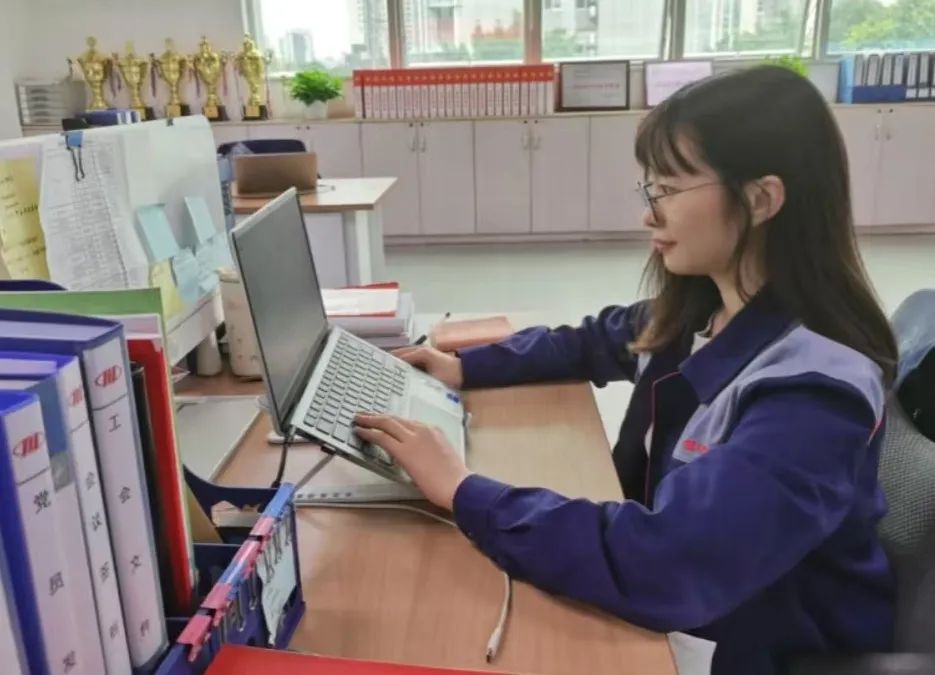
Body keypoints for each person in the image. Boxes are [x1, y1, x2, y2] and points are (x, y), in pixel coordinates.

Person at [354, 66, 898, 675]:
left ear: (761, 199)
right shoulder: (709, 306)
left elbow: (671, 562)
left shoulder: (813, 393)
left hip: (754, 642)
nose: (649, 215)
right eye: (650, 189)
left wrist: (462, 490)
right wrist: (463, 367)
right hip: (691, 605)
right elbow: (596, 340)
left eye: (668, 189)